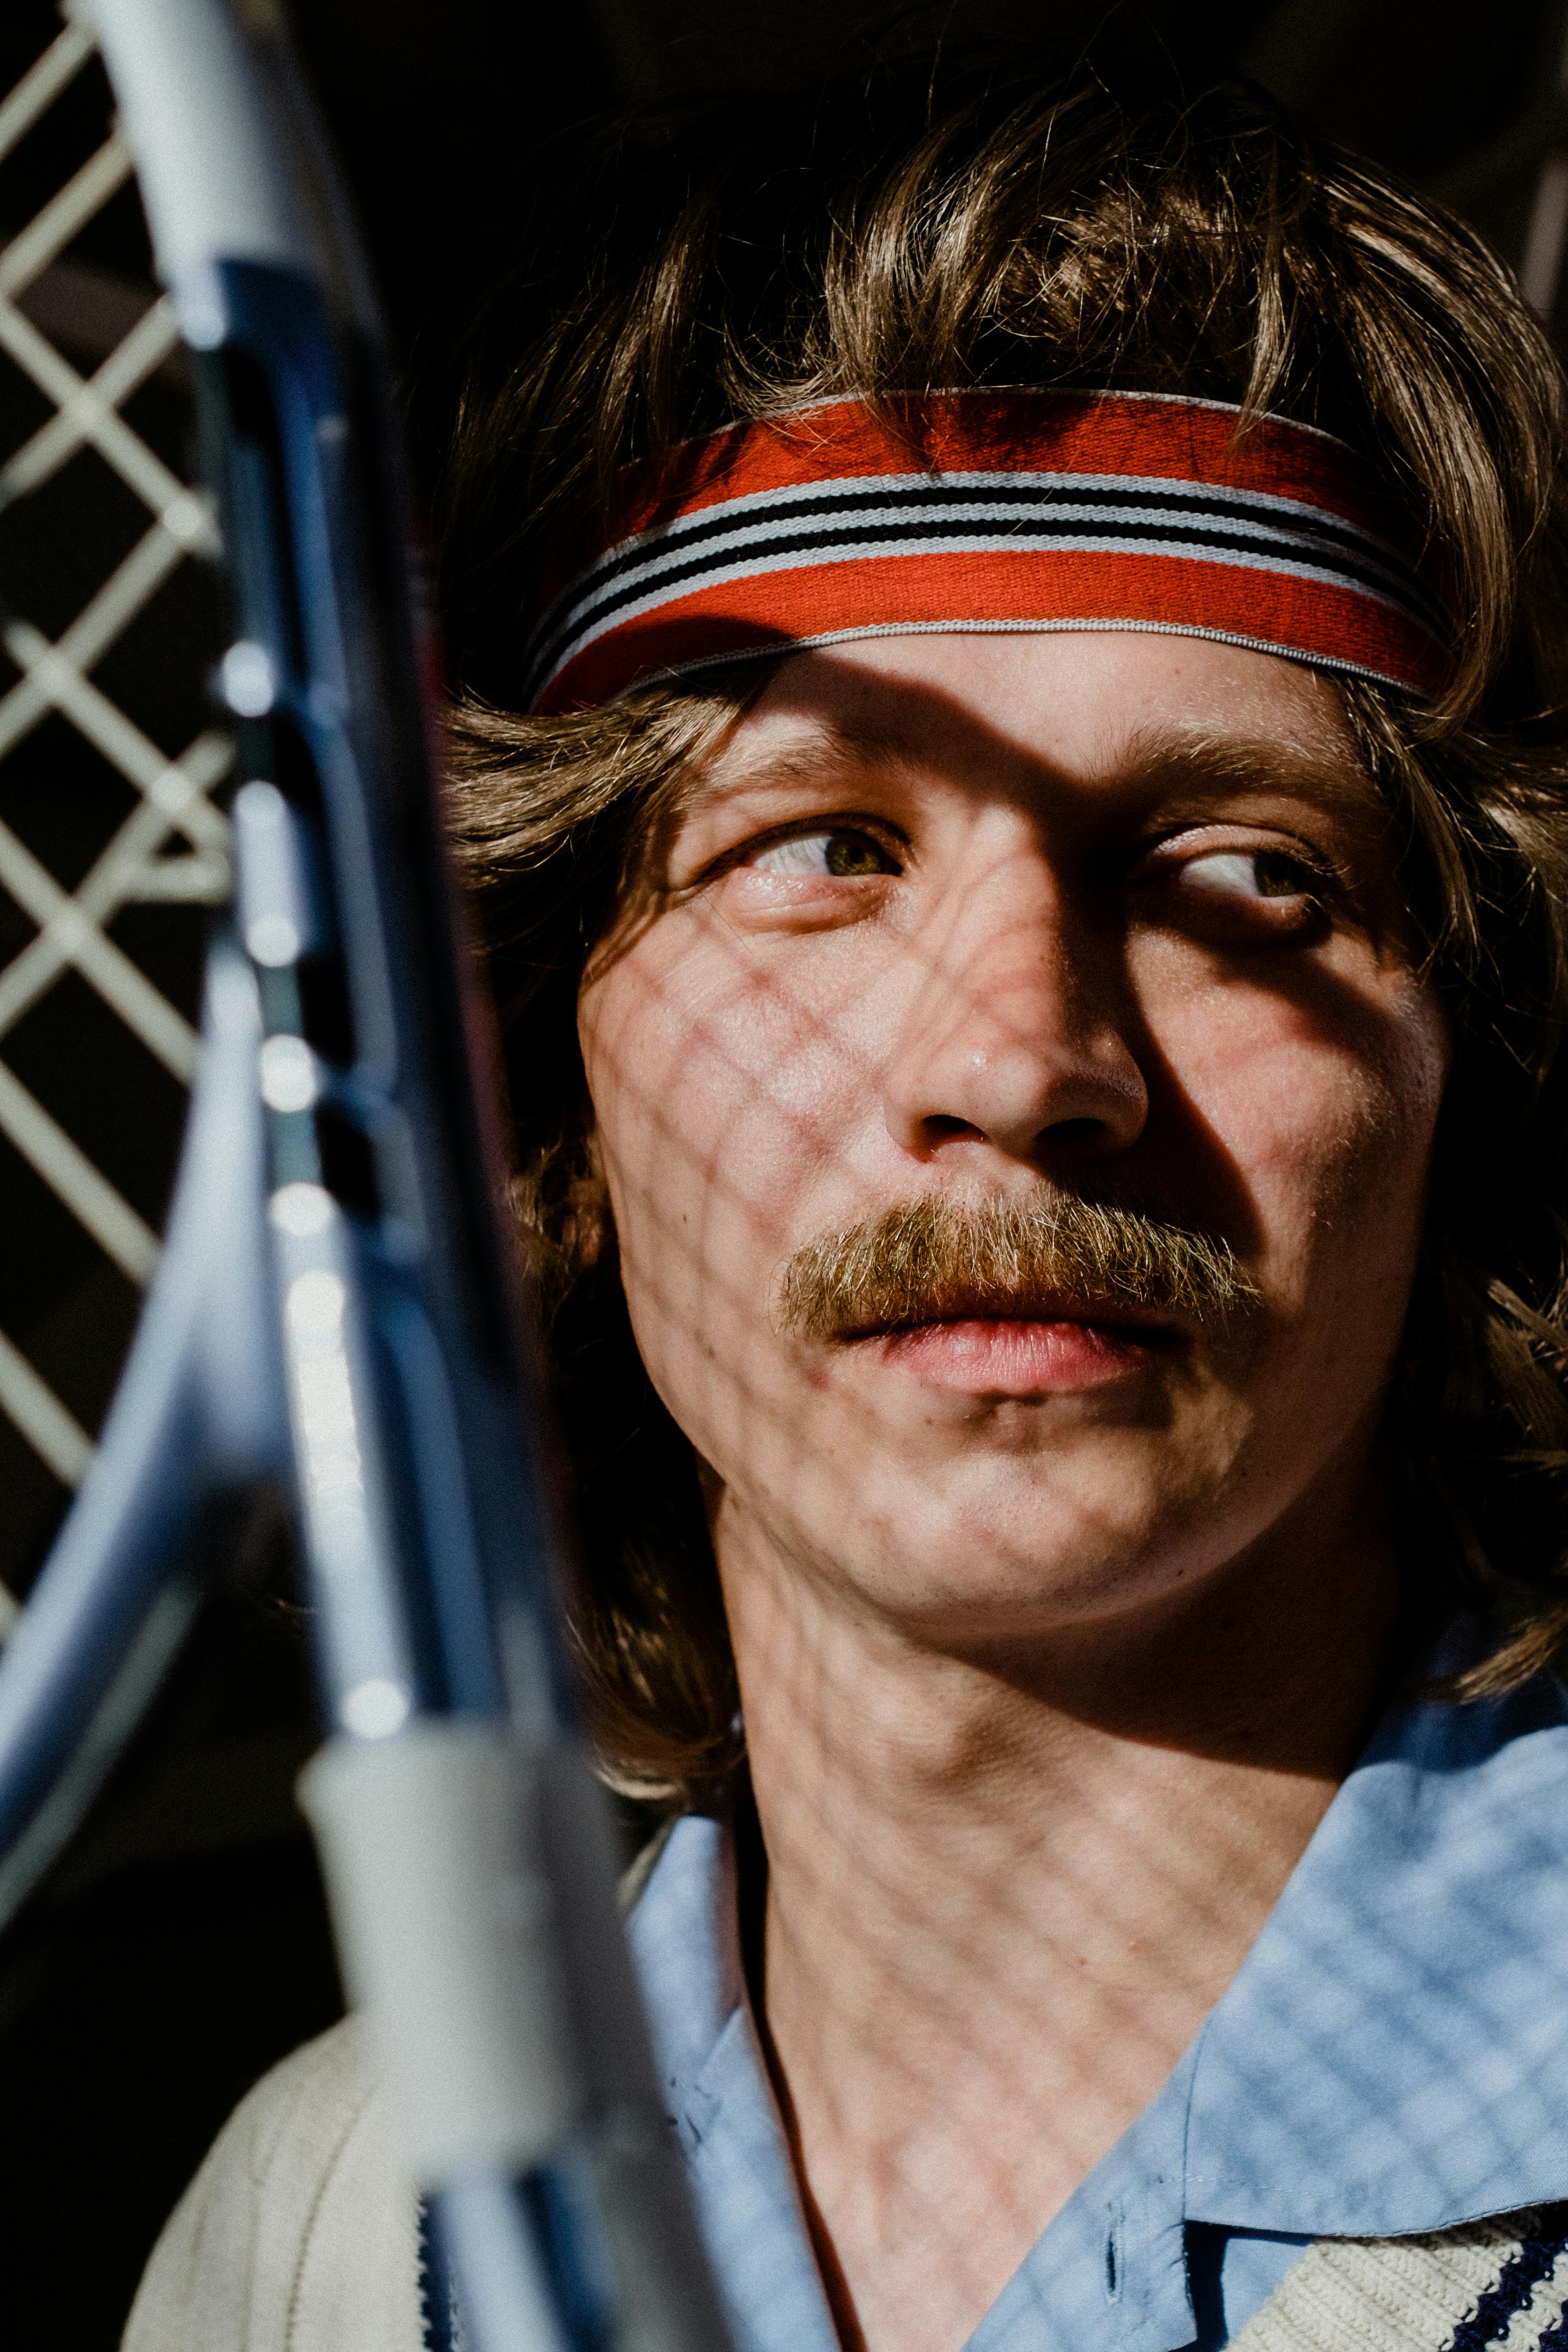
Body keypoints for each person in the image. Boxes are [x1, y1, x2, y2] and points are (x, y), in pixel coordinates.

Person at [126, 58, 1568, 2352]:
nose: (1019, 1063)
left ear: (1458, 1076)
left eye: (1239, 875)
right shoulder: (322, 2229)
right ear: (555, 1081)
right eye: (821, 848)